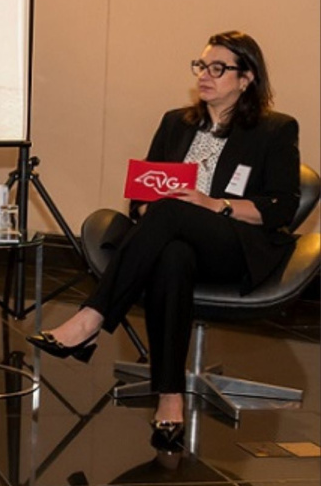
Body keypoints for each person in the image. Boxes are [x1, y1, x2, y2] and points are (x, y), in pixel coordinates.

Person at [27, 31, 300, 450]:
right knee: (172, 254)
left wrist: (215, 205)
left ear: (246, 79)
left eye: (218, 68)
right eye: (201, 66)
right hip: (175, 240)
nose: (204, 75)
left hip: (234, 245)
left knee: (173, 210)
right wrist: (143, 209)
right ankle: (170, 397)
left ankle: (92, 318)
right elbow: (143, 190)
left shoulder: (274, 130)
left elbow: (281, 208)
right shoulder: (177, 122)